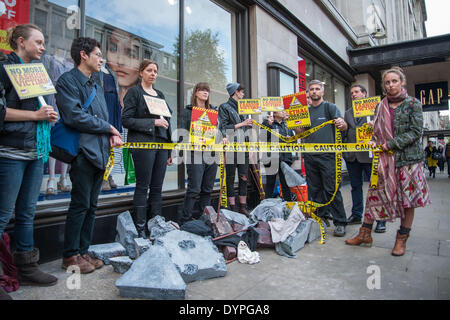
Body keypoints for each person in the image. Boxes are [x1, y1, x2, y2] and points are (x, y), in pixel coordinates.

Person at [0, 24, 59, 300]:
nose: (43, 47)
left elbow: (40, 108)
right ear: (21, 42)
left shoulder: (40, 72)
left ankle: (26, 266)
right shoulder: (3, 69)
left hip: (36, 152)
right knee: (2, 215)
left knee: (26, 213)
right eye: (38, 42)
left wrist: (47, 115)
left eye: (44, 42)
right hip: (10, 152)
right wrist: (36, 117)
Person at [345, 67, 431, 256]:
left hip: (408, 161)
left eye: (394, 81)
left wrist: (388, 145)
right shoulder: (381, 105)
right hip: (384, 161)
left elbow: (416, 132)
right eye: (387, 82)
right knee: (374, 196)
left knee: (408, 201)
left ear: (402, 82)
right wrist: (372, 133)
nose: (391, 85)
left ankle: (401, 239)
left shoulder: (413, 104)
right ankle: (365, 233)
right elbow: (378, 131)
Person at [56, 37, 123, 274]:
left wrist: (111, 133)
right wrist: (107, 128)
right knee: (80, 204)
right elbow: (74, 116)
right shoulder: (67, 81)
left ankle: (84, 251)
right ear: (83, 55)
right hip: (83, 152)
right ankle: (70, 255)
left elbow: (102, 116)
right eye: (97, 54)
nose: (101, 59)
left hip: (100, 152)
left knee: (92, 205)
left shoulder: (96, 83)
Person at [122, 59, 173, 238]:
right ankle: (140, 228)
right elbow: (126, 120)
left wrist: (169, 149)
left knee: (157, 187)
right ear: (141, 72)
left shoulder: (160, 95)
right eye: (149, 70)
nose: (153, 74)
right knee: (143, 186)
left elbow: (168, 122)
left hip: (161, 144)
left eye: (155, 71)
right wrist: (152, 122)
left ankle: (156, 226)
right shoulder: (134, 92)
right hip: (143, 144)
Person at [294, 80, 348, 237]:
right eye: (312, 89)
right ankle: (321, 217)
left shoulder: (330, 107)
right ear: (309, 93)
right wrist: (292, 122)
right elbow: (300, 133)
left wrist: (341, 123)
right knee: (315, 189)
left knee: (332, 189)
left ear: (322, 92)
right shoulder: (306, 111)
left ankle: (340, 222)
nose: (314, 92)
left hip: (328, 156)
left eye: (317, 89)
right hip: (310, 156)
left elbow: (344, 126)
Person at [343, 84, 386, 233]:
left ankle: (381, 219)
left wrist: (375, 126)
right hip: (352, 156)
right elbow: (346, 132)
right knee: (355, 187)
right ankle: (356, 215)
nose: (353, 94)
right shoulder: (347, 113)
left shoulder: (376, 110)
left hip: (370, 156)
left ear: (364, 94)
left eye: (356, 92)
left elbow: (384, 129)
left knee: (376, 187)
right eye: (351, 92)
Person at [179, 82, 218, 224]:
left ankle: (204, 219)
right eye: (202, 90)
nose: (205, 93)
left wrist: (223, 137)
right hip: (194, 153)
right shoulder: (187, 111)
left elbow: (218, 132)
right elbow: (181, 132)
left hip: (211, 153)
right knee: (194, 189)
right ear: (195, 92)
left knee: (207, 189)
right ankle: (185, 220)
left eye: (207, 90)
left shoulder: (213, 112)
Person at [218, 82, 253, 215]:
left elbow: (245, 130)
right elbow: (223, 127)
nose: (243, 94)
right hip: (231, 147)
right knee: (230, 178)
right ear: (235, 92)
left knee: (244, 178)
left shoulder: (244, 108)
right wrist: (242, 123)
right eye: (241, 91)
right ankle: (232, 208)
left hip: (243, 147)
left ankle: (243, 208)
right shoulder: (224, 107)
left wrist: (249, 146)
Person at [262, 111, 293, 201]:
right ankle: (267, 204)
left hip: (285, 157)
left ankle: (288, 204)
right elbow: (262, 138)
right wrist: (269, 125)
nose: (284, 112)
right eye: (281, 111)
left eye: (284, 111)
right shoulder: (267, 123)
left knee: (286, 183)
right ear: (275, 113)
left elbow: (294, 141)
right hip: (271, 157)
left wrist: (290, 139)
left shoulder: (287, 124)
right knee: (270, 183)